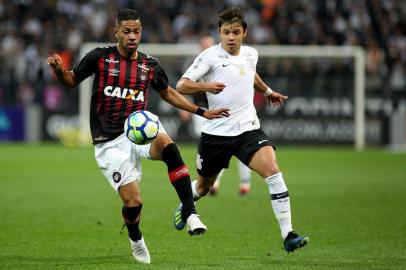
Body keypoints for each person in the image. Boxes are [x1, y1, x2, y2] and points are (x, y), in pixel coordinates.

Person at [46, 9, 230, 264]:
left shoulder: (149, 64)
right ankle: (135, 238)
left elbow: (167, 93)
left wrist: (201, 111)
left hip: (140, 128)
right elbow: (71, 80)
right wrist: (58, 71)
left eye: (136, 31)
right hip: (109, 141)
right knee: (134, 202)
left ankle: (189, 212)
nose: (132, 36)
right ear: (116, 32)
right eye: (127, 32)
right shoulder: (99, 58)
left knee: (167, 144)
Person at [173, 7, 309, 252]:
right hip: (216, 134)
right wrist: (207, 86)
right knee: (203, 188)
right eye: (226, 33)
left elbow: (251, 76)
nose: (231, 37)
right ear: (219, 33)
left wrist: (268, 92)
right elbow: (181, 85)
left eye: (236, 32)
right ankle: (186, 204)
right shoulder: (209, 57)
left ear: (244, 32)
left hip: (248, 130)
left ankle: (288, 234)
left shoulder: (251, 54)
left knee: (274, 171)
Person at [179, 34, 252, 196]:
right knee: (216, 147)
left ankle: (243, 183)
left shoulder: (230, 58)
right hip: (203, 110)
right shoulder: (195, 62)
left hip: (228, 109)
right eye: (205, 45)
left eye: (210, 45)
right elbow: (185, 84)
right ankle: (215, 181)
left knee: (242, 143)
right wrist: (184, 108)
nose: (208, 48)